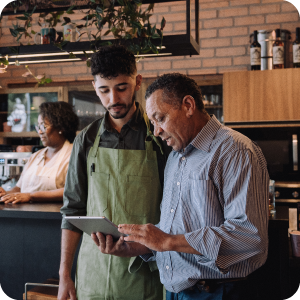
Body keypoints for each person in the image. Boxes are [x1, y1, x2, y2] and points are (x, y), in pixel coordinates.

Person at [91, 73, 270, 300]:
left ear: (188, 105)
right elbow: (180, 229)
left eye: (160, 118)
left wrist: (167, 241)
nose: (156, 131)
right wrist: (140, 246)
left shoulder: (235, 150)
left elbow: (249, 236)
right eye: (152, 122)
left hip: (217, 292)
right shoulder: (176, 156)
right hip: (176, 292)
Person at [58, 45, 170, 300]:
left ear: (137, 82)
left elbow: (176, 209)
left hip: (145, 269)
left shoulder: (160, 136)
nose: (113, 99)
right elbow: (72, 210)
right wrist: (65, 273)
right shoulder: (85, 140)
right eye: (104, 90)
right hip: (93, 270)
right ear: (94, 87)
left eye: (121, 88)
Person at [0, 102, 79, 204]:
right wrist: (5, 194)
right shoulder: (35, 156)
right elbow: (19, 188)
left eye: (44, 126)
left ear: (61, 127)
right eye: (38, 127)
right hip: (26, 216)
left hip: (52, 217)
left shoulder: (74, 155)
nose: (40, 132)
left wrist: (31, 196)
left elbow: (71, 191)